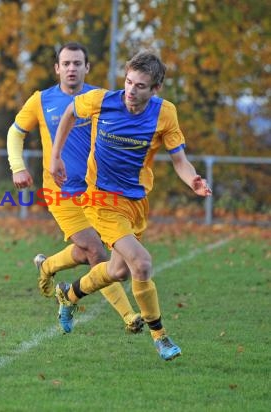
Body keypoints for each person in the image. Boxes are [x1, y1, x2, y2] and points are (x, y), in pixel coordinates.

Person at [50, 50, 212, 360]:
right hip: (100, 199)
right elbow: (71, 112)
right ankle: (160, 337)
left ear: (155, 89)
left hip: (135, 203)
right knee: (142, 263)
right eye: (128, 82)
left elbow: (180, 160)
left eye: (140, 86)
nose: (130, 91)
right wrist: (56, 155)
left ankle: (68, 294)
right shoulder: (102, 100)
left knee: (118, 270)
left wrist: (193, 180)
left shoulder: (165, 114)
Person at [7, 42, 143, 334]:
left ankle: (48, 267)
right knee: (96, 250)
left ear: (87, 68)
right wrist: (17, 166)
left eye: (77, 63)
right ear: (57, 69)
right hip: (60, 192)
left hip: (98, 190)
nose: (71, 68)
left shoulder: (100, 99)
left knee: (86, 251)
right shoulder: (41, 100)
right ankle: (129, 315)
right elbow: (15, 133)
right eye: (66, 63)